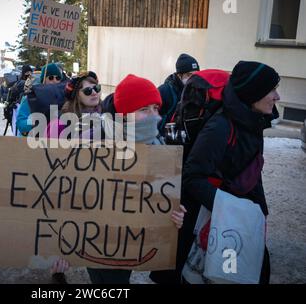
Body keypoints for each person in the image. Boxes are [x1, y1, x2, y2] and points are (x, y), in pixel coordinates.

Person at [51, 74, 187, 284]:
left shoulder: (158, 145)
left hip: (132, 242)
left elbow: (159, 195)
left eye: (156, 108)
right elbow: (67, 192)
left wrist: (173, 212)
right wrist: (62, 245)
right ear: (124, 115)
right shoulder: (94, 139)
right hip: (96, 240)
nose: (154, 116)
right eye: (144, 109)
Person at [180, 61, 281, 284]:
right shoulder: (221, 127)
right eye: (271, 90)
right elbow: (192, 177)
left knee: (249, 272)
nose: (277, 97)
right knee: (228, 274)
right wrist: (232, 207)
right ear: (253, 93)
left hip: (243, 218)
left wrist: (259, 210)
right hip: (224, 224)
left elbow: (251, 171)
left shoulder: (253, 120)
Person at [158, 53, 200, 135]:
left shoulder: (196, 92)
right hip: (164, 141)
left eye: (196, 75)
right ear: (179, 75)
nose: (192, 79)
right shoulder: (165, 91)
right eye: (189, 75)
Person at [16, 63, 63, 136]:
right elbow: (20, 124)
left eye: (58, 78)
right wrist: (35, 120)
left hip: (56, 143)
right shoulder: (32, 97)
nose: (54, 81)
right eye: (50, 78)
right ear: (43, 80)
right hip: (34, 142)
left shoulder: (63, 98)